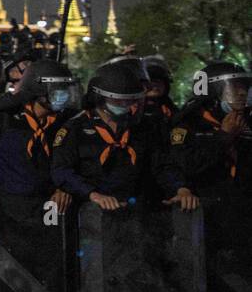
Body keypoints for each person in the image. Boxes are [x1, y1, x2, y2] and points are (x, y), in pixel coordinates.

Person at [50, 61, 197, 212]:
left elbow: (162, 165)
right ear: (100, 98)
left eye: (131, 100)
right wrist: (93, 195)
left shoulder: (143, 127)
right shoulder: (75, 129)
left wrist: (180, 189)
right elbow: (62, 170)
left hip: (137, 214)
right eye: (118, 100)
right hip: (92, 214)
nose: (126, 105)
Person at [0, 60, 80, 222]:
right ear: (38, 89)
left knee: (50, 245)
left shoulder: (66, 122)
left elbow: (70, 162)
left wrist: (64, 188)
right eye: (57, 89)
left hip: (49, 204)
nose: (62, 94)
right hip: (7, 205)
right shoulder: (2, 117)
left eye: (65, 89)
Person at [170, 61, 252, 200]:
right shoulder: (188, 125)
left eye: (244, 86)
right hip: (207, 209)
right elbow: (188, 166)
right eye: (234, 87)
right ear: (212, 92)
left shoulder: (248, 121)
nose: (242, 92)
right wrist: (223, 136)